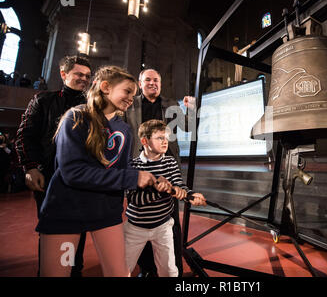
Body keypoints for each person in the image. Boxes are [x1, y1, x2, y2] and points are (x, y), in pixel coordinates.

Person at [35, 65, 157, 277]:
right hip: (67, 210)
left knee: (120, 273)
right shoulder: (76, 117)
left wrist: (145, 180)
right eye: (127, 91)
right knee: (58, 274)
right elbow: (73, 172)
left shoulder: (125, 130)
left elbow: (123, 169)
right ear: (106, 87)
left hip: (106, 211)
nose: (131, 98)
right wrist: (132, 177)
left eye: (134, 94)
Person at [15, 55, 92, 277]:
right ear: (63, 74)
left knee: (79, 229)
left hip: (81, 180)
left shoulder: (92, 106)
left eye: (87, 76)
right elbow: (24, 136)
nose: (84, 79)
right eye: (79, 74)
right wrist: (30, 167)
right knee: (52, 230)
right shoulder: (42, 100)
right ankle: (51, 272)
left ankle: (74, 271)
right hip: (48, 176)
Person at [125, 68, 195, 277]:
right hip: (139, 166)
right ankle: (147, 269)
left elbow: (188, 127)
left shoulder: (171, 104)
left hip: (166, 164)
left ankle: (174, 269)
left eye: (156, 80)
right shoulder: (131, 104)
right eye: (148, 80)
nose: (152, 83)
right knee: (140, 218)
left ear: (161, 84)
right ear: (140, 83)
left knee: (169, 221)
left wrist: (190, 109)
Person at [124, 119, 206, 276]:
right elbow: (135, 200)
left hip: (163, 226)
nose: (165, 142)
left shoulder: (170, 162)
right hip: (136, 227)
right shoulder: (134, 166)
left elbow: (178, 184)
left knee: (169, 271)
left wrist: (189, 195)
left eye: (166, 137)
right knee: (123, 269)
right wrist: (161, 190)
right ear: (144, 141)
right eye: (159, 138)